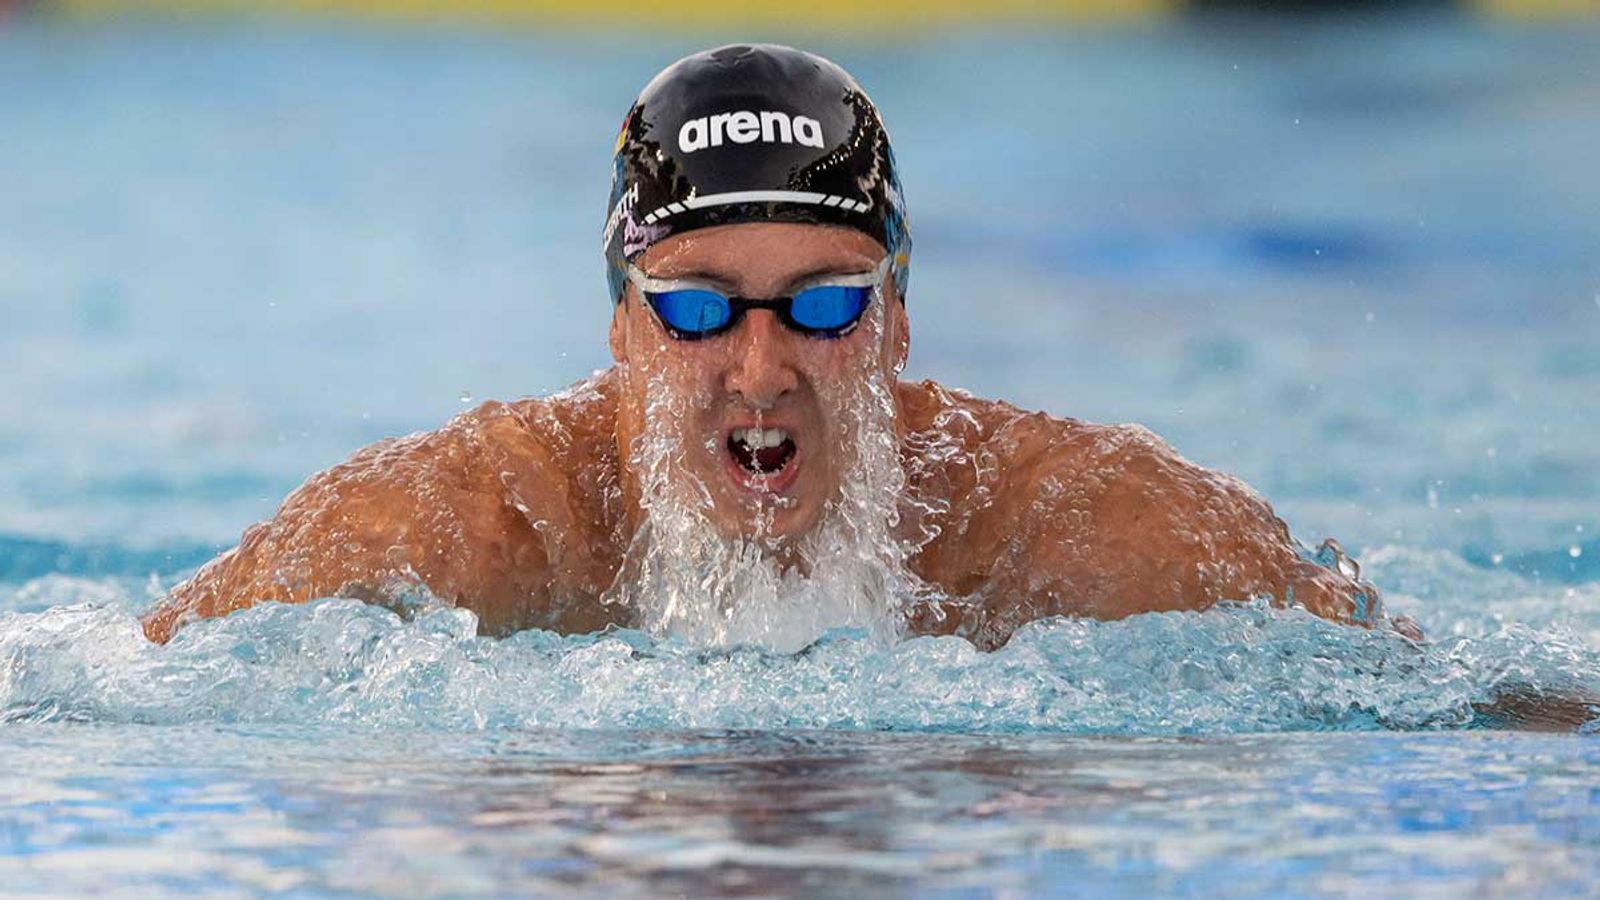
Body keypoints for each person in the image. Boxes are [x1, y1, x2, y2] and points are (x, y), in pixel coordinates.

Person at [141, 42, 1415, 651]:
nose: (760, 369)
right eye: (696, 307)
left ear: (900, 316)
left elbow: (1441, 696)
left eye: (825, 303)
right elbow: (117, 683)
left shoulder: (1064, 519)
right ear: (621, 327)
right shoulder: (477, 520)